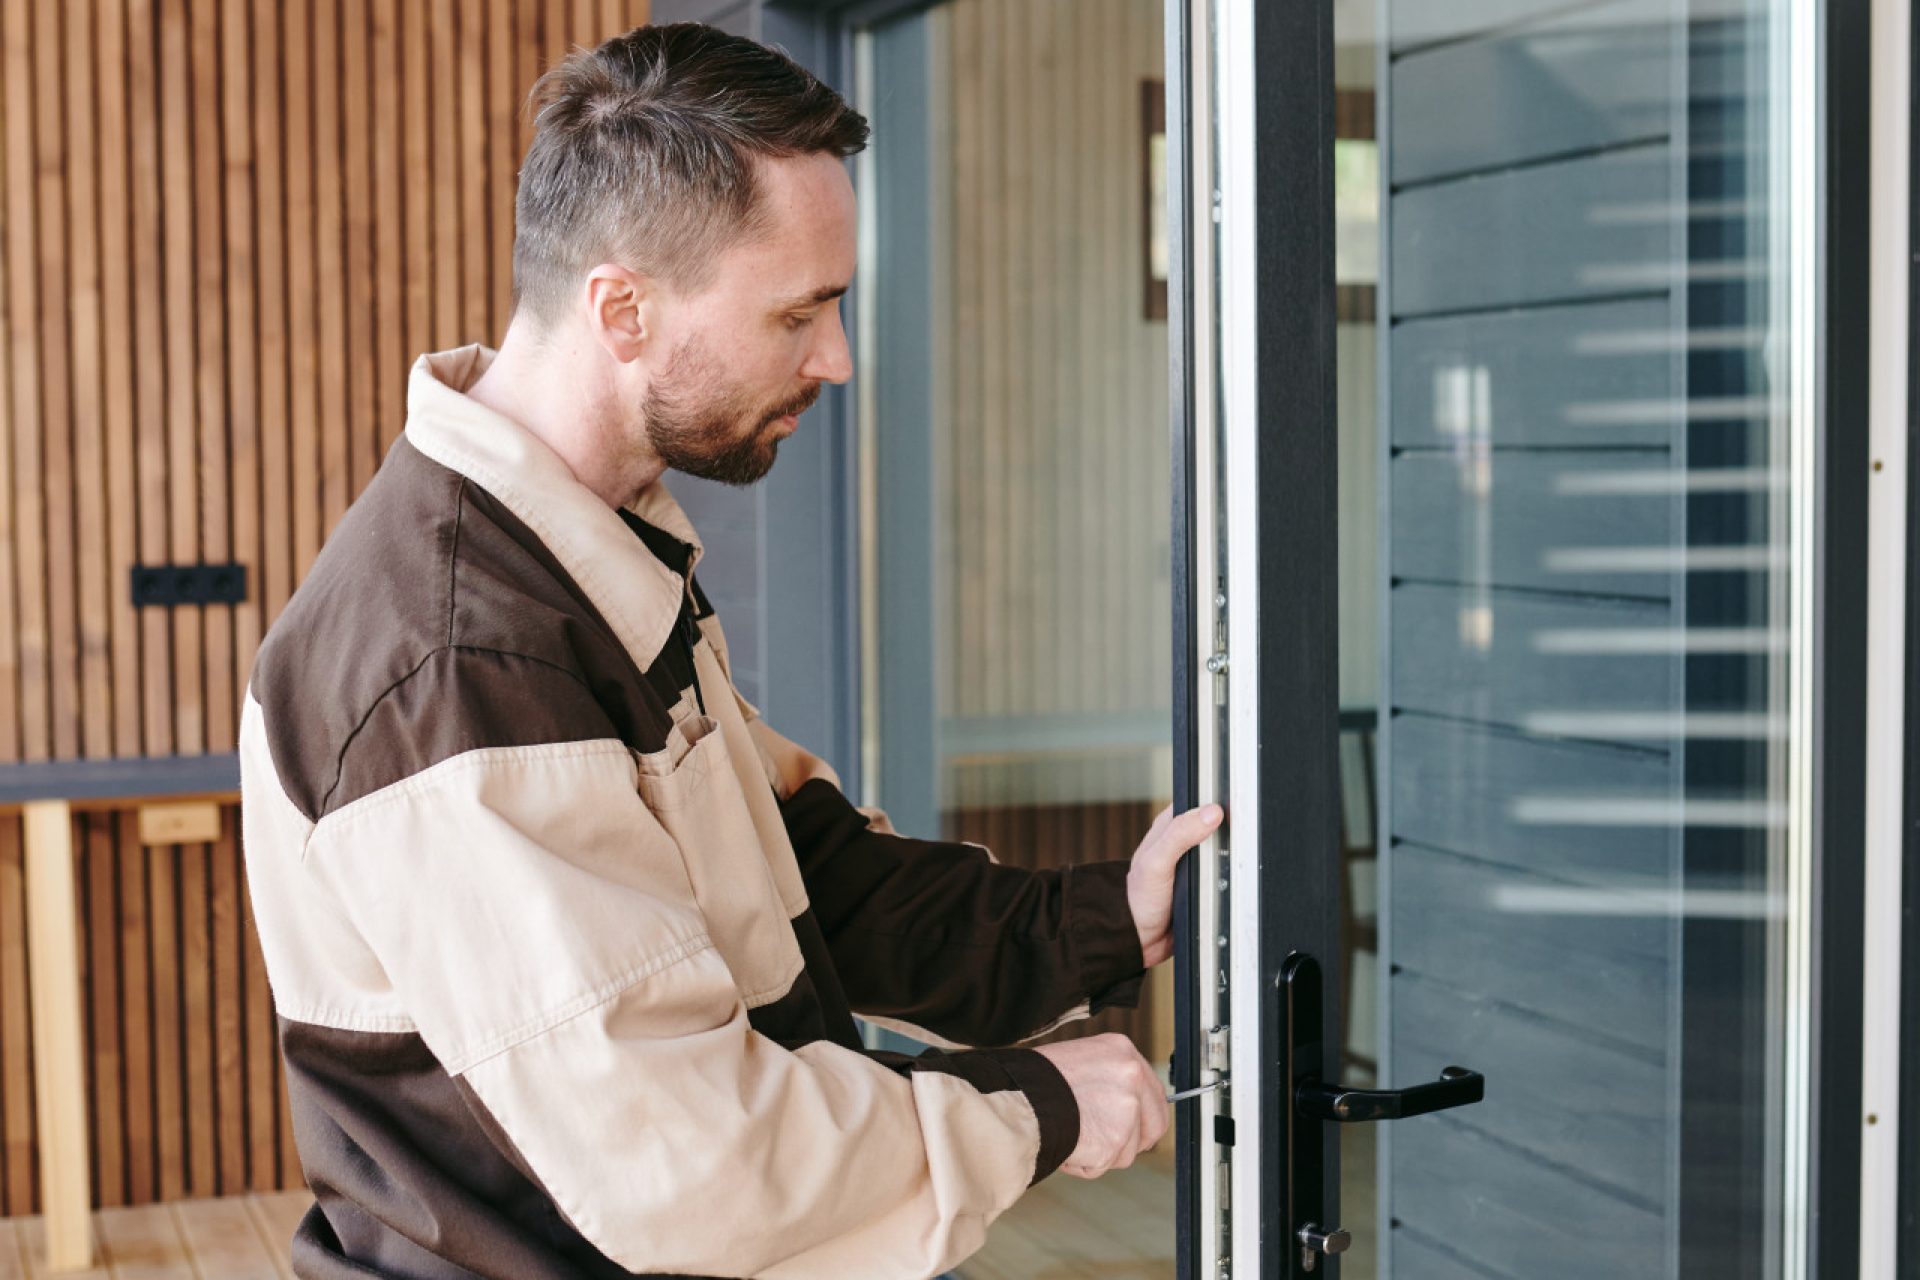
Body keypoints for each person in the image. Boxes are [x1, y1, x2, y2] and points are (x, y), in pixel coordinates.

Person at [240, 22, 1222, 1279]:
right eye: (799, 312)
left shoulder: (585, 552)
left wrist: (1097, 918)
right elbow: (689, 1157)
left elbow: (796, 871)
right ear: (623, 308)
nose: (839, 358)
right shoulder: (455, 660)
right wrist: (1038, 1103)